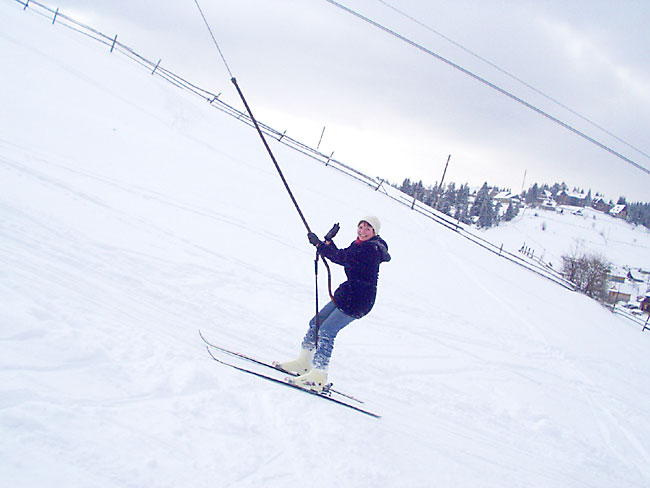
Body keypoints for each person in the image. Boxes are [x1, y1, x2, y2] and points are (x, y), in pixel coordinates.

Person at [277, 216, 391, 391]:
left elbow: (343, 259)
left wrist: (320, 245)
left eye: (368, 228)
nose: (362, 231)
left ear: (375, 232)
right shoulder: (359, 244)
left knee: (327, 331)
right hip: (347, 294)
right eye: (360, 227)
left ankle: (318, 375)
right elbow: (343, 255)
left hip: (359, 300)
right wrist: (328, 243)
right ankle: (303, 362)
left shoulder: (372, 249)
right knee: (316, 323)